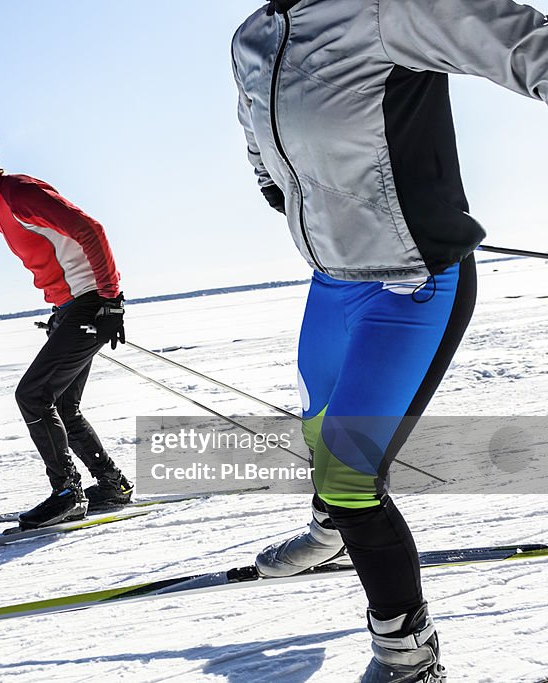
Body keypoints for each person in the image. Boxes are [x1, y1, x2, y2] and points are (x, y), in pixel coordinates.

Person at [231, 1, 548, 680]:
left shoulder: (384, 10)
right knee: (319, 431)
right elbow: (259, 140)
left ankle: (409, 653)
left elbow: (519, 39)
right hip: (332, 282)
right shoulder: (253, 38)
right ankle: (335, 536)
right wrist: (281, 190)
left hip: (412, 282)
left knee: (350, 476)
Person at [0, 122, 133, 529]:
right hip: (75, 308)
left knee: (32, 395)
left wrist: (110, 299)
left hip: (92, 303)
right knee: (62, 404)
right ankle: (112, 485)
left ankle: (67, 493)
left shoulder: (20, 192)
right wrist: (62, 312)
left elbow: (90, 230)